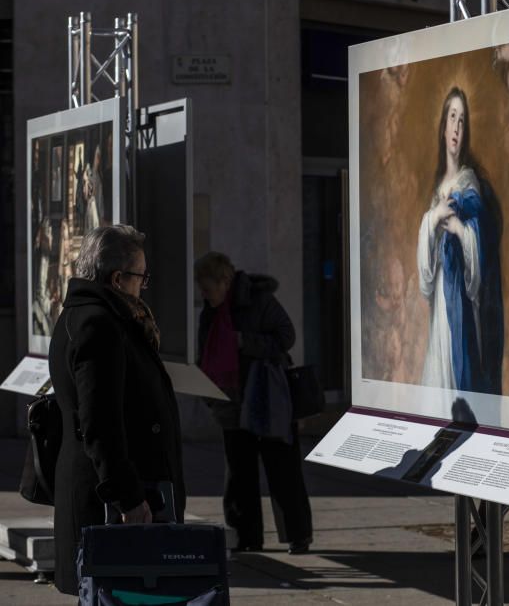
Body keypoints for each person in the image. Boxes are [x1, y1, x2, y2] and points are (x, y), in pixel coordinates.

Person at [49, 225, 186, 595]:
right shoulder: (99, 325)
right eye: (141, 276)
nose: (144, 285)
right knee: (119, 594)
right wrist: (127, 496)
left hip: (111, 491)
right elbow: (100, 423)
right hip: (113, 500)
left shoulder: (88, 317)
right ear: (117, 278)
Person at [195, 251, 313, 554]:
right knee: (239, 473)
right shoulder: (209, 311)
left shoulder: (258, 301)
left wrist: (246, 342)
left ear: (225, 281)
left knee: (282, 468)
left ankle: (298, 535)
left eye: (208, 288)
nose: (204, 295)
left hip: (266, 396)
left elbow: (287, 337)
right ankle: (246, 537)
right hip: (231, 403)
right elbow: (203, 354)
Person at [417, 86, 504, 394]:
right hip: (440, 296)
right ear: (443, 127)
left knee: (458, 376)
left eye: (462, 120)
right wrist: (433, 217)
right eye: (452, 117)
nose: (456, 127)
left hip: (459, 303)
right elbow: (424, 277)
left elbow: (478, 241)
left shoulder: (468, 182)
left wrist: (457, 228)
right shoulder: (438, 188)